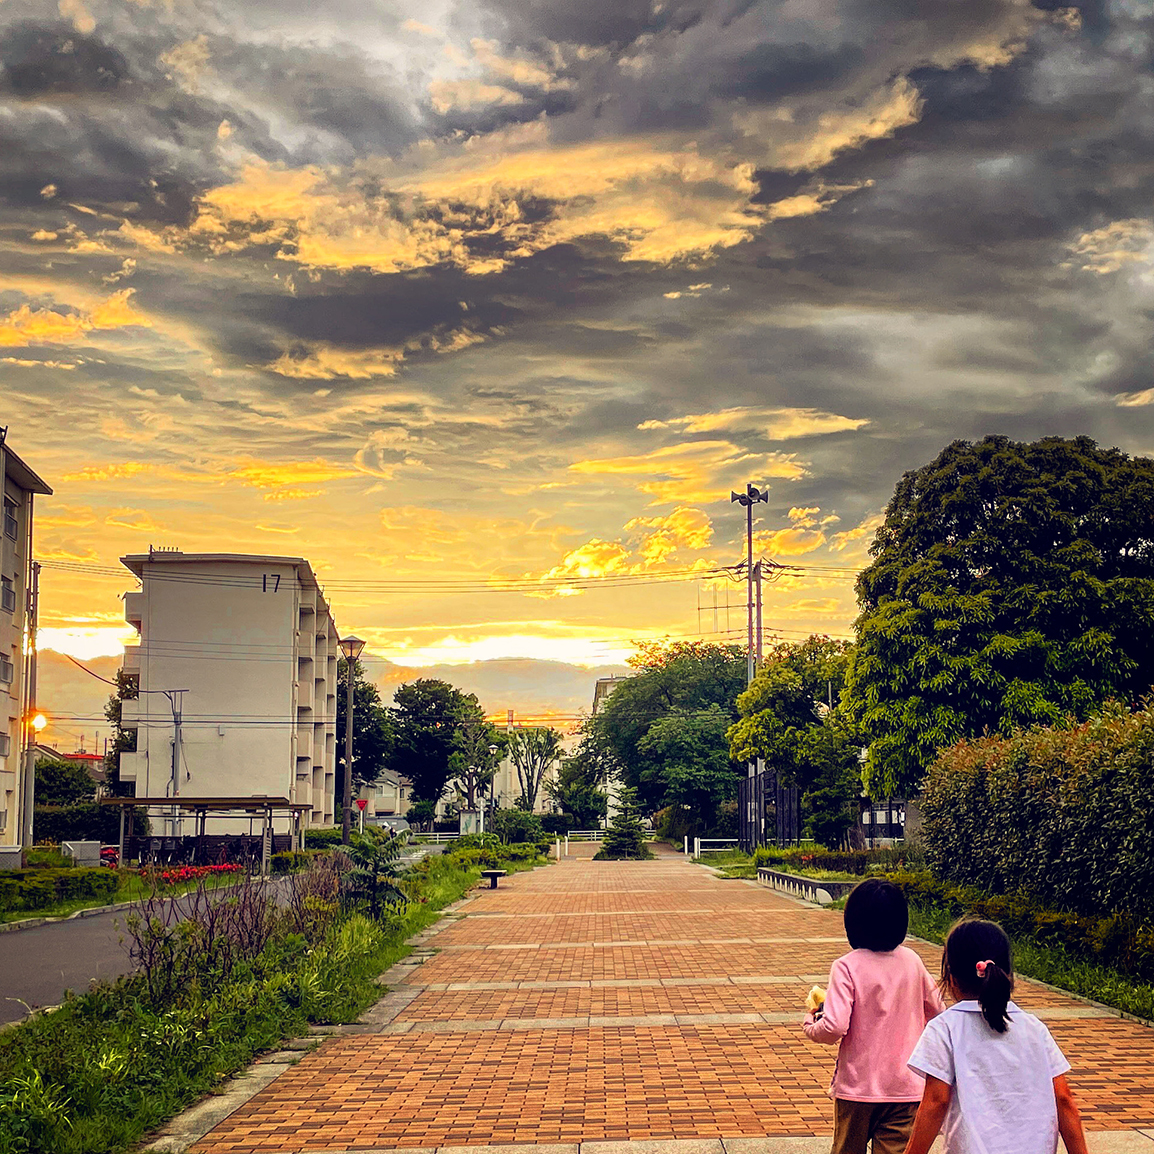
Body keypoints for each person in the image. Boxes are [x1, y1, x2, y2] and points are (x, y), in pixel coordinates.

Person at [903, 918, 1089, 1154]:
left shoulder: (945, 1028)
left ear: (951, 977)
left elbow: (936, 1102)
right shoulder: (1033, 1028)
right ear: (1008, 974)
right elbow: (1063, 1098)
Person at [804, 878, 945, 1154]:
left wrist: (811, 1023)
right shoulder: (912, 961)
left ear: (853, 924)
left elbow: (834, 1026)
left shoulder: (847, 966)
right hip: (906, 1086)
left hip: (857, 1089)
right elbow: (938, 1012)